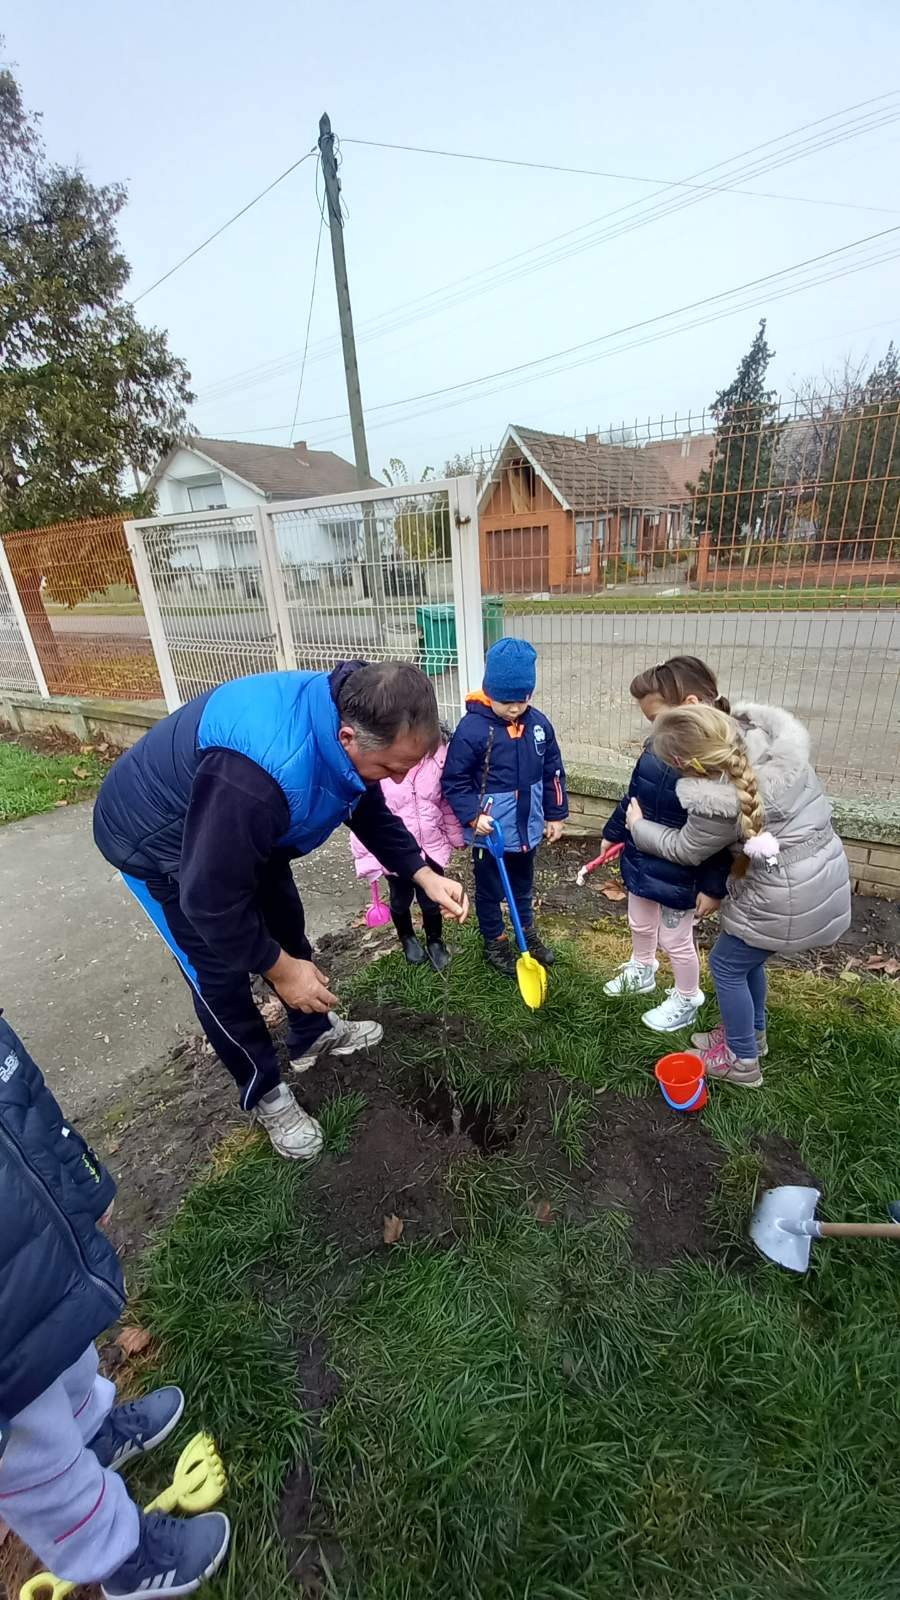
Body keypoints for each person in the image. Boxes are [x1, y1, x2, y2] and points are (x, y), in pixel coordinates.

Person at [93, 662, 469, 1159]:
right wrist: (281, 970)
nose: (398, 778)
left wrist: (422, 873)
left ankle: (310, 1034)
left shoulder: (351, 719)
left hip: (240, 824)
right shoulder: (258, 776)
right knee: (219, 974)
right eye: (392, 768)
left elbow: (367, 806)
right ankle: (266, 1092)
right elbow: (208, 899)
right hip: (157, 841)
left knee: (285, 923)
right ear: (349, 737)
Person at [0, 1014, 230, 1599]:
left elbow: (23, 1096)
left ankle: (97, 1427)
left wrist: (80, 1182)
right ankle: (121, 1557)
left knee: (68, 1349)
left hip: (27, 1243)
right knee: (35, 1451)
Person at [626, 701, 851, 1088]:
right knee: (744, 960)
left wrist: (638, 826)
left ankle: (741, 1061)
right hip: (820, 873)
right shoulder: (770, 746)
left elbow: (685, 848)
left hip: (785, 896)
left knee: (728, 965)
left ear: (685, 762)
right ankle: (750, 1036)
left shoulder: (717, 800)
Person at [599, 657, 733, 1033]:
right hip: (642, 859)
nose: (652, 729)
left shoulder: (716, 765)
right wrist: (614, 831)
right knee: (639, 921)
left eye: (656, 718)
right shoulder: (656, 745)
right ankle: (642, 968)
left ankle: (687, 996)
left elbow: (722, 841)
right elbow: (634, 792)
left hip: (682, 875)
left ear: (689, 707)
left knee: (675, 938)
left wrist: (713, 886)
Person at [442, 637, 568, 977]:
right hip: (491, 833)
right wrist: (472, 816)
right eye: (505, 702)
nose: (514, 709)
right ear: (489, 691)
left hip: (527, 827)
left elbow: (553, 771)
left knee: (523, 886)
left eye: (521, 700)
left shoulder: (538, 725)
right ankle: (495, 941)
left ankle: (527, 933)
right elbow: (454, 780)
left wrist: (555, 814)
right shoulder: (472, 730)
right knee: (490, 890)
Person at [350, 725, 464, 970]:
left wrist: (455, 835)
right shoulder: (379, 766)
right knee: (400, 900)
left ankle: (435, 941)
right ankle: (408, 938)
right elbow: (367, 819)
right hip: (394, 854)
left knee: (431, 900)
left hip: (431, 846)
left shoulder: (438, 758)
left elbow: (443, 802)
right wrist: (369, 860)